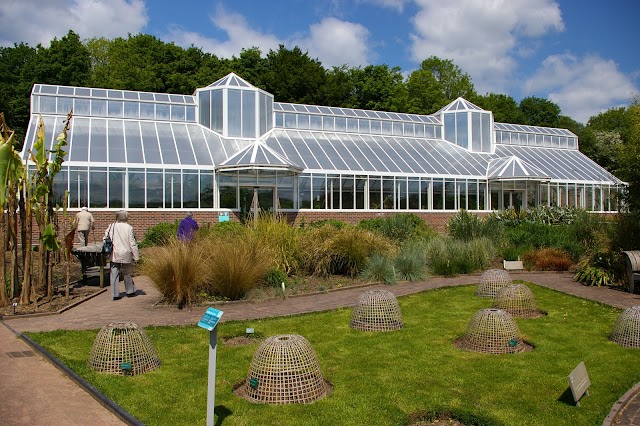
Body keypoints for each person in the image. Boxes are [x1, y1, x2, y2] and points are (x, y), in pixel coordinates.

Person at [104, 210, 140, 300]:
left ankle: (115, 294)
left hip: (114, 253)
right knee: (127, 273)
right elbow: (132, 243)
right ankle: (130, 291)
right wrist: (136, 256)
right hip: (126, 253)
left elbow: (105, 238)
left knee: (114, 273)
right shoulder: (129, 228)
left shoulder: (111, 226)